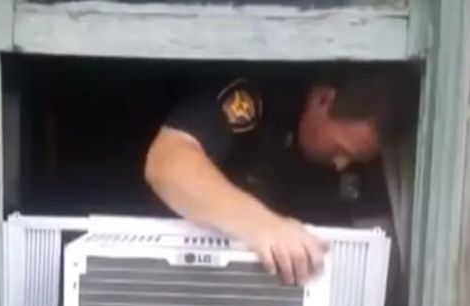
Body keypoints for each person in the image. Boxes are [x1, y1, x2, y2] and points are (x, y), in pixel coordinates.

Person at [144, 68, 413, 286]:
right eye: (340, 148)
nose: (342, 165)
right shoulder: (256, 97)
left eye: (354, 160)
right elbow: (166, 164)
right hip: (173, 267)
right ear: (322, 99)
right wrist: (264, 226)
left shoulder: (346, 163)